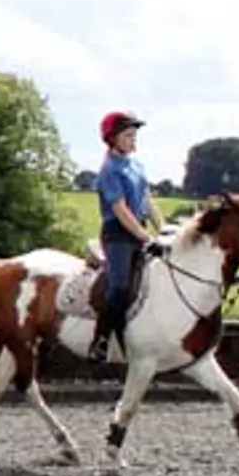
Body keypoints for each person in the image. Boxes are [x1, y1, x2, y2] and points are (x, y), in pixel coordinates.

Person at [90, 110, 162, 363]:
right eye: (129, 135)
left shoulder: (136, 165)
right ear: (113, 139)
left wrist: (162, 230)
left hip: (139, 231)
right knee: (120, 286)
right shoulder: (109, 170)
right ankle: (101, 338)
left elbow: (146, 199)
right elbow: (120, 210)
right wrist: (146, 238)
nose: (134, 140)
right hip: (118, 235)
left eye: (134, 135)